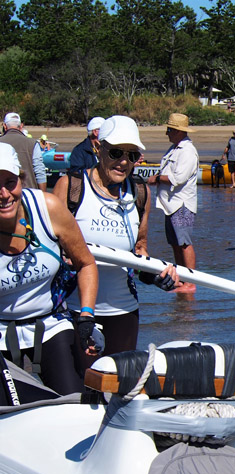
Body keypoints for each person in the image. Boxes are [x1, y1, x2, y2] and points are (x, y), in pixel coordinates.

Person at [53, 115, 178, 373]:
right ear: (98, 148)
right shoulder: (71, 187)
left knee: (120, 388)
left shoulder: (140, 192)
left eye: (132, 156)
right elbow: (50, 246)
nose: (123, 162)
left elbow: (140, 251)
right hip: (75, 310)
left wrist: (157, 276)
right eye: (116, 153)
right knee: (84, 388)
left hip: (124, 311)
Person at [0, 144, 102, 396]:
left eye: (10, 183)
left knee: (73, 402)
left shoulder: (48, 208)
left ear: (21, 180)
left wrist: (87, 315)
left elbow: (86, 263)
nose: (4, 194)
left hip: (50, 323)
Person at [147, 113, 199, 294]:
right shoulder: (174, 149)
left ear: (179, 131)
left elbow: (179, 178)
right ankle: (182, 279)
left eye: (169, 130)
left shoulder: (187, 151)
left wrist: (156, 179)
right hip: (170, 204)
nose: (167, 133)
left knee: (184, 242)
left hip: (181, 204)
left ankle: (190, 282)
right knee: (175, 243)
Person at [1, 112, 46, 192]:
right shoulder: (32, 143)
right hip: (29, 191)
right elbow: (40, 172)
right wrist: (43, 195)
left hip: (3, 191)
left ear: (4, 126)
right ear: (21, 126)